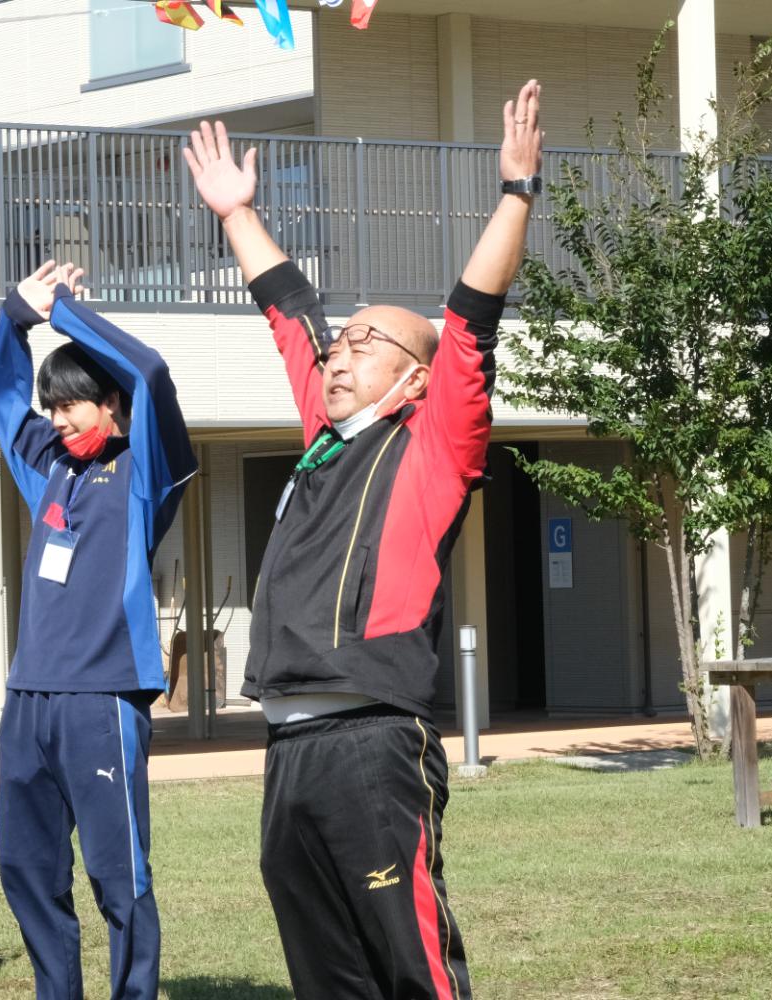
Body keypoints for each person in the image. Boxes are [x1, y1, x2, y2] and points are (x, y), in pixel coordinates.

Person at [183, 80, 545, 999]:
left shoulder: (435, 442)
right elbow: (288, 305)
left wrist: (515, 192)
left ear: (417, 378)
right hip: (288, 747)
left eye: (367, 342)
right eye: (340, 343)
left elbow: (472, 316)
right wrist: (237, 213)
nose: (340, 353)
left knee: (410, 963)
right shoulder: (324, 433)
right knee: (327, 975)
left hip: (373, 742)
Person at [0, 261, 196, 1000]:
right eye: (52, 409)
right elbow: (5, 400)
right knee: (26, 868)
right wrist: (14, 318)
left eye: (71, 406)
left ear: (111, 404)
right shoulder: (48, 468)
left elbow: (151, 372)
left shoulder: (147, 470)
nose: (57, 420)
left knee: (119, 873)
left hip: (103, 698)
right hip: (28, 699)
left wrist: (64, 315)